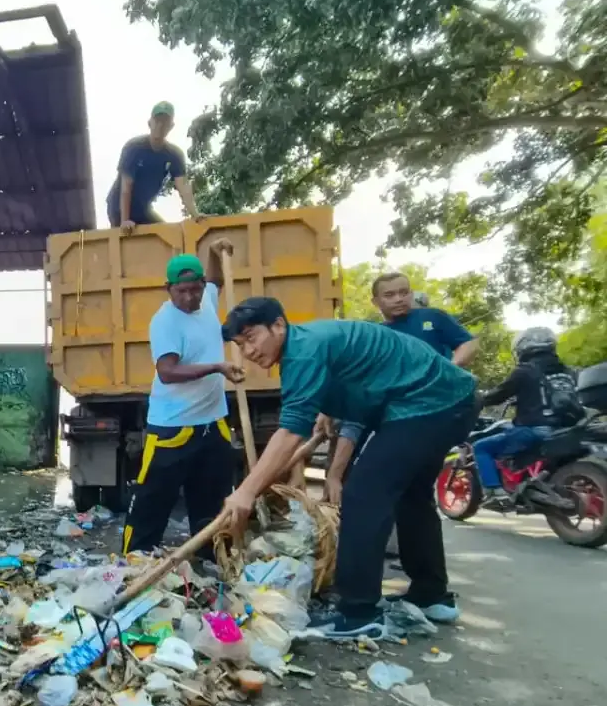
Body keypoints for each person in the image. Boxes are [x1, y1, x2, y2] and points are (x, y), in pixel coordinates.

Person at [219, 297, 478, 638]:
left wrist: (246, 491)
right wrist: (330, 409)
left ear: (278, 325)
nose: (248, 351)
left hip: (428, 404)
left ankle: (358, 613)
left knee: (364, 497)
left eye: (251, 337)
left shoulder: (303, 351)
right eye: (240, 345)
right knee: (411, 497)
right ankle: (431, 596)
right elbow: (355, 373)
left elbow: (292, 430)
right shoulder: (307, 344)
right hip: (449, 401)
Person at [122, 247, 245, 555]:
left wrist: (215, 252)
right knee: (151, 503)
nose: (190, 297)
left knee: (212, 505)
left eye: (195, 289)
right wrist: (216, 367)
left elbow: (216, 279)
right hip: (173, 429)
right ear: (169, 289)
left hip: (213, 425)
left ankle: (212, 564)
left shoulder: (208, 301)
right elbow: (167, 372)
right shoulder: (165, 322)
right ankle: (134, 564)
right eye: (182, 291)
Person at [324, 271, 478, 504]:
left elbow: (468, 343)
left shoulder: (432, 318)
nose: (399, 299)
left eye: (404, 292)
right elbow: (356, 383)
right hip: (392, 413)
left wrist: (448, 368)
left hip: (433, 411)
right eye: (390, 295)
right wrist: (327, 410)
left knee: (413, 487)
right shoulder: (376, 334)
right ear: (376, 302)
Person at [473, 327, 584, 508]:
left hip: (536, 431)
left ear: (523, 346)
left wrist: (475, 400)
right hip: (570, 431)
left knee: (481, 447)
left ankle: (495, 493)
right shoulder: (569, 372)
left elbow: (497, 395)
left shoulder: (524, 371)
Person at [106, 102, 200, 232]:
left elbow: (183, 187)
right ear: (150, 123)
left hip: (142, 209)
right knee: (127, 235)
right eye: (157, 121)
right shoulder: (134, 148)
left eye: (165, 122)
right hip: (119, 207)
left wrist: (196, 215)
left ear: (171, 127)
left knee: (168, 232)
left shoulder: (174, 155)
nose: (160, 126)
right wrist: (124, 221)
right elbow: (126, 186)